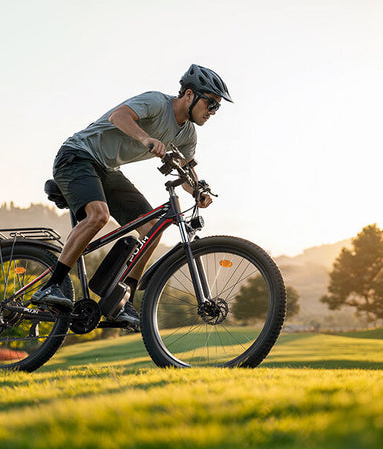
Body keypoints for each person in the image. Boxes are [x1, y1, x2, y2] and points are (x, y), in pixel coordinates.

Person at [30, 64, 232, 327]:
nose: (214, 112)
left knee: (153, 228)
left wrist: (198, 192)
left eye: (218, 107)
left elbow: (187, 173)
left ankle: (123, 300)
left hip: (107, 169)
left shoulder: (188, 134)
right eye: (211, 103)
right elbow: (118, 116)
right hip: (77, 154)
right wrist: (145, 138)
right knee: (99, 215)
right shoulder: (157, 103)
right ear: (189, 95)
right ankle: (52, 285)